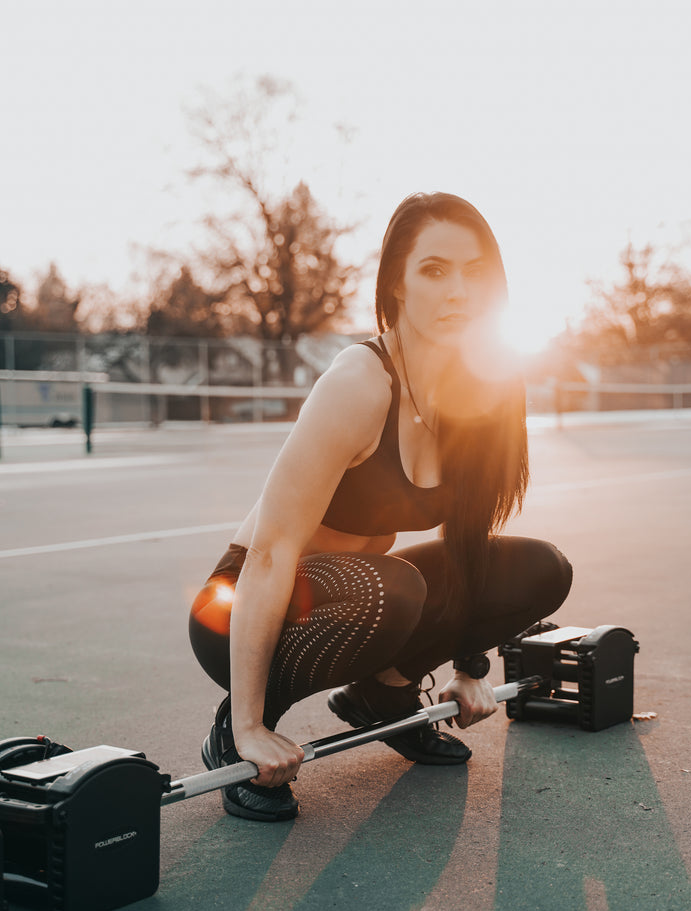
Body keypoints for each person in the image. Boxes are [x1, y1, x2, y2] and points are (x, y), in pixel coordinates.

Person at [189, 192, 573, 822]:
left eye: (475, 272)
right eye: (434, 270)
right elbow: (271, 551)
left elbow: (467, 538)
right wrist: (250, 725)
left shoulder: (487, 389)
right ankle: (232, 730)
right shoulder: (360, 384)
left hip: (364, 597)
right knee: (394, 590)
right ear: (397, 284)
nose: (458, 291)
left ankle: (383, 698)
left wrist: (471, 664)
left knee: (541, 568)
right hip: (239, 605)